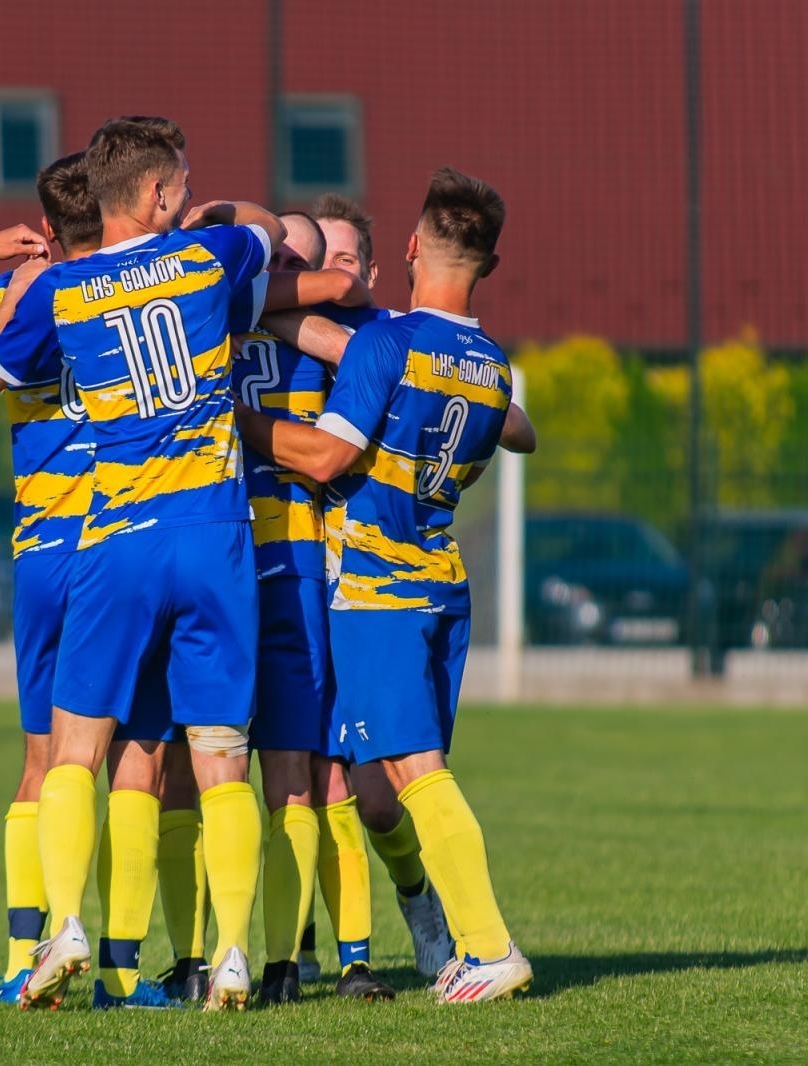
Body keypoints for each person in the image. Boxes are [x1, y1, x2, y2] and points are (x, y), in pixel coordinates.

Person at [0, 117, 284, 1012]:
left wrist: (23, 284)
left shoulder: (60, 289)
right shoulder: (212, 255)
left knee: (76, 747)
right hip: (217, 534)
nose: (190, 196)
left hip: (117, 538)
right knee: (221, 758)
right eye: (182, 184)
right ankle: (229, 956)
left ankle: (63, 927)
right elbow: (275, 231)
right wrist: (217, 213)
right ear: (157, 196)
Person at [238, 167, 535, 1003]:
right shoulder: (492, 366)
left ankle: (487, 947)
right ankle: (439, 923)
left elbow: (328, 457)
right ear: (489, 266)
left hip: (379, 589)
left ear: (407, 249)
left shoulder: (388, 344)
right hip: (442, 587)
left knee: (414, 771)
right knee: (379, 791)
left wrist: (234, 418)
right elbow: (523, 433)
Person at [235, 209, 394, 1006]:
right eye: (309, 253)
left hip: (316, 564)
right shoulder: (241, 309)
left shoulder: (366, 333)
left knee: (324, 778)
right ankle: (274, 956)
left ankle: (338, 957)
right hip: (267, 561)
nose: (326, 267)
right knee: (268, 776)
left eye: (341, 255)